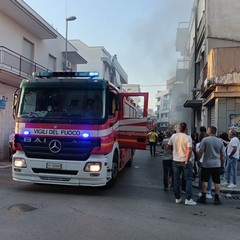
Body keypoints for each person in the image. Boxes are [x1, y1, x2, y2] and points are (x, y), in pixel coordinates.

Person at [168, 122, 196, 206]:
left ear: (178, 128)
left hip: (176, 160)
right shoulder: (188, 138)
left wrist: (174, 151)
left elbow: (168, 146)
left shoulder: (173, 136)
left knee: (176, 179)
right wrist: (187, 160)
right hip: (185, 161)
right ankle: (188, 199)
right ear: (186, 129)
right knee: (188, 179)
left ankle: (177, 198)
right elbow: (189, 150)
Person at [197, 126, 225, 205]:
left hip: (207, 164)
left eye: (208, 130)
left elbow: (201, 151)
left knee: (205, 180)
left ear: (210, 131)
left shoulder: (205, 140)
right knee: (217, 181)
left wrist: (198, 160)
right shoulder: (220, 141)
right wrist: (222, 165)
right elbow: (222, 155)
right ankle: (216, 198)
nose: (207, 131)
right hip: (217, 164)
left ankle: (203, 197)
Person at [196, 131, 212, 199]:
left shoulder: (198, 145)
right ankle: (208, 192)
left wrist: (198, 160)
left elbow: (198, 152)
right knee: (209, 178)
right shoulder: (210, 144)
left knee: (201, 178)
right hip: (209, 162)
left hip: (201, 162)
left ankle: (201, 191)